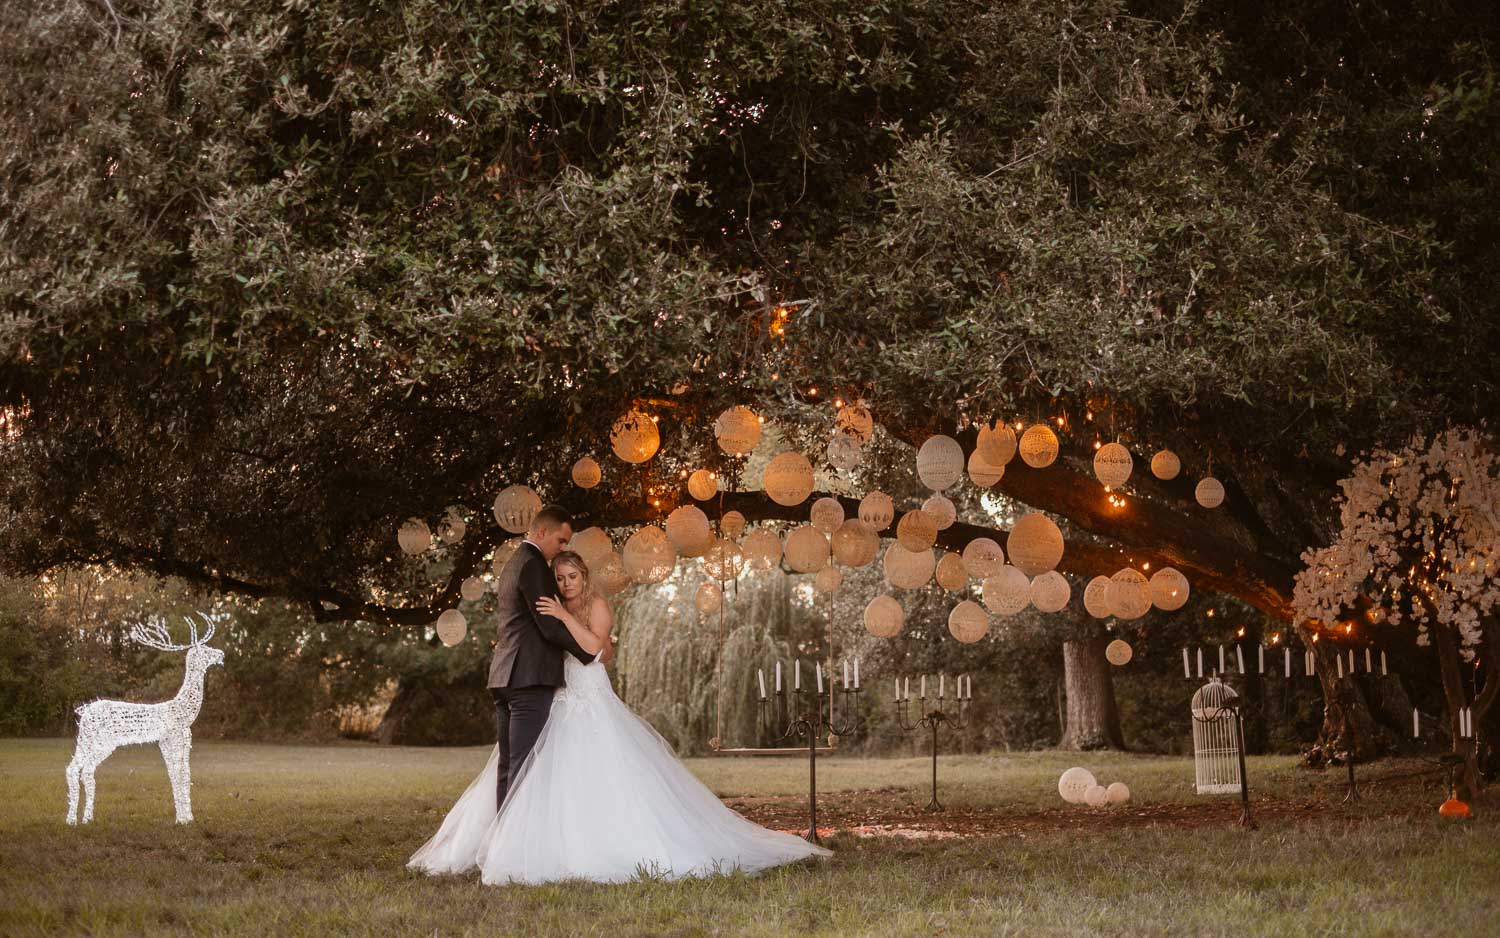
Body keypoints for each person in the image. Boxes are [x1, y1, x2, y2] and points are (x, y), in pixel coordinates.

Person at [409, 548, 831, 884]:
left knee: (603, 770)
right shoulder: (553, 607)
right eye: (560, 578)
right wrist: (550, 619)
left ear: (584, 578)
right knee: (546, 770)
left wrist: (560, 618)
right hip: (560, 696)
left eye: (572, 577)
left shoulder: (596, 605)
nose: (566, 584)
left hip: (590, 695)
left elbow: (595, 648)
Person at [485, 505, 595, 811]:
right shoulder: (534, 565)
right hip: (528, 677)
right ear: (542, 532)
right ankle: (512, 849)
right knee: (525, 766)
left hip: (504, 675)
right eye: (561, 541)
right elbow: (549, 626)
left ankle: (502, 842)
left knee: (509, 766)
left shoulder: (513, 563)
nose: (563, 548)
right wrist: (587, 653)